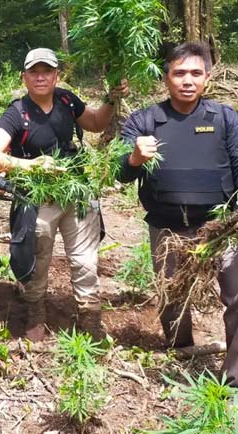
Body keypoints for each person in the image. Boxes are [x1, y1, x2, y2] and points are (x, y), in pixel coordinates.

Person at [0, 48, 128, 341]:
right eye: (34, 72)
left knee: (85, 261)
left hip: (76, 194)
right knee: (37, 260)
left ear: (56, 75)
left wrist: (113, 98)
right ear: (24, 77)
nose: (40, 77)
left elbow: (97, 123)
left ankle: (90, 321)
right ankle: (36, 314)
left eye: (46, 71)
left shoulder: (66, 100)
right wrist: (29, 164)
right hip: (38, 200)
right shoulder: (17, 113)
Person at [118, 42, 238, 385]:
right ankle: (181, 352)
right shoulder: (144, 120)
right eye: (180, 73)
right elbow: (118, 172)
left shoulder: (225, 118)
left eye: (195, 73)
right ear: (166, 77)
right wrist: (134, 158)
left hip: (221, 227)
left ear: (208, 78)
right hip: (167, 228)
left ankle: (234, 377)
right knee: (172, 297)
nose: (188, 80)